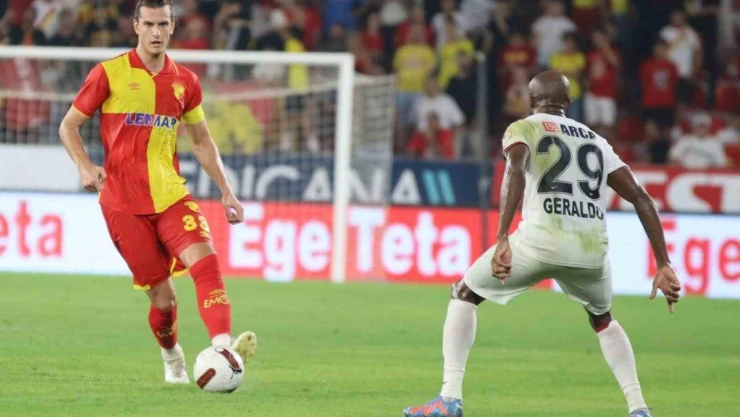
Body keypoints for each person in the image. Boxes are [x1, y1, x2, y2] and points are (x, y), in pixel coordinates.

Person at [403, 71, 682, 417]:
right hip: (591, 251)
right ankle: (638, 408)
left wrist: (502, 236)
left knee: (464, 293)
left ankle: (449, 399)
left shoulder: (525, 128)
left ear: (532, 101)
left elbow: (515, 169)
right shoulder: (596, 140)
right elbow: (641, 198)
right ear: (568, 102)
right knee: (603, 320)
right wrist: (663, 262)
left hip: (539, 242)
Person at [58, 0, 257, 384]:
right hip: (123, 204)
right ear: (135, 25)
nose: (155, 32)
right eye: (148, 24)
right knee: (164, 302)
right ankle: (172, 356)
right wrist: (84, 165)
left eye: (163, 24)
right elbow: (68, 126)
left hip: (171, 196)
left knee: (207, 265)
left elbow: (201, 141)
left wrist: (226, 191)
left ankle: (222, 349)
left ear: (172, 27)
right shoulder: (108, 74)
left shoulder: (186, 81)